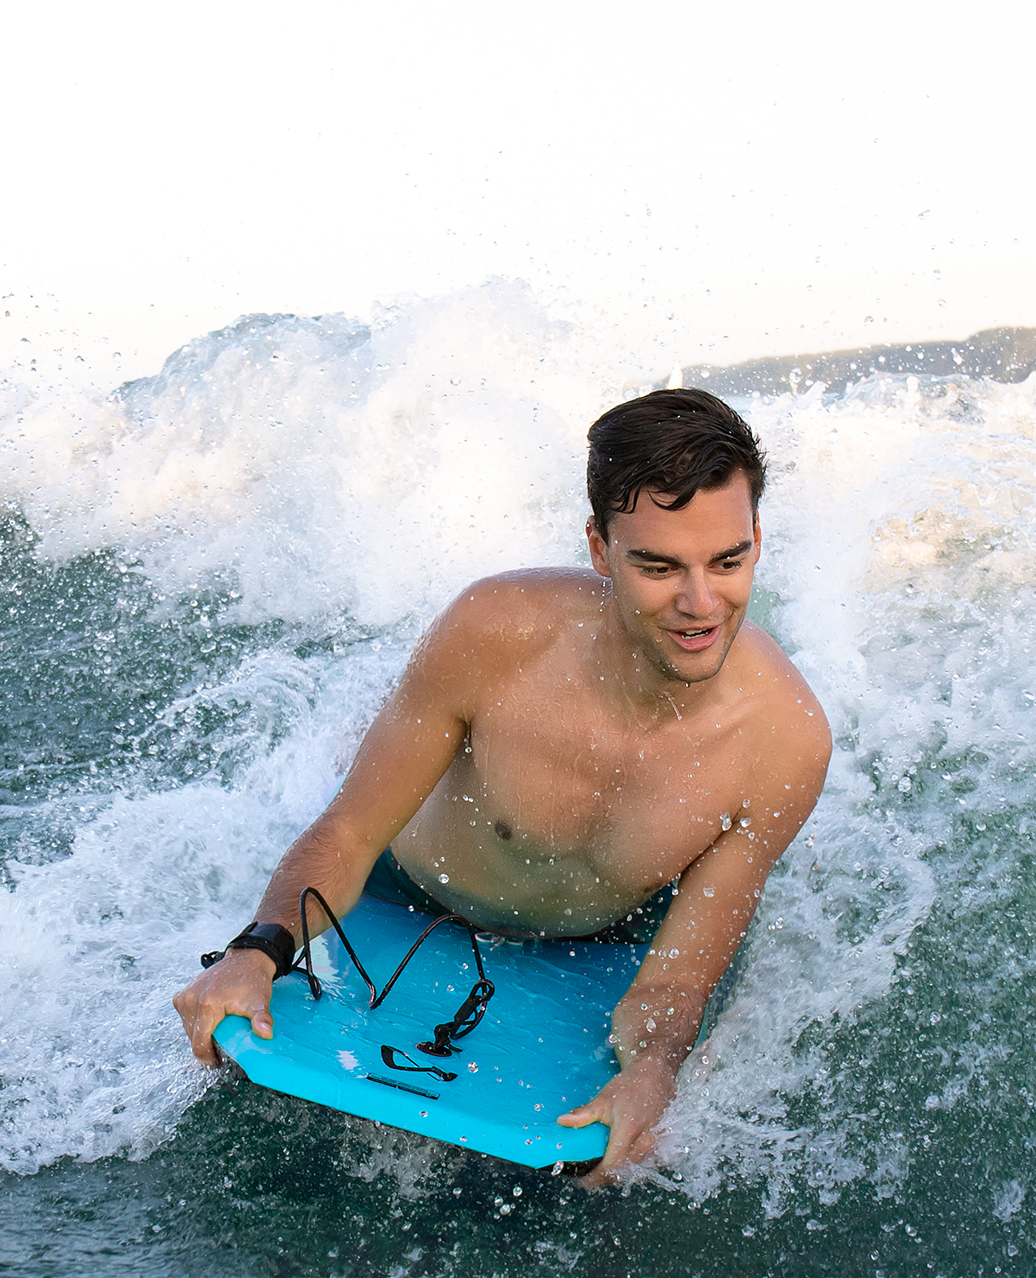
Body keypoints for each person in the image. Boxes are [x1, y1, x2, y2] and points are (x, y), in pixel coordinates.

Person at [173, 388, 831, 1184]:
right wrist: (259, 948)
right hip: (406, 888)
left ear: (757, 540)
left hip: (606, 933)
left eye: (727, 562)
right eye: (658, 567)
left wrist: (654, 1070)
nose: (700, 604)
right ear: (600, 549)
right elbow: (350, 832)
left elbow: (676, 979)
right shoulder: (496, 631)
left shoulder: (784, 743)